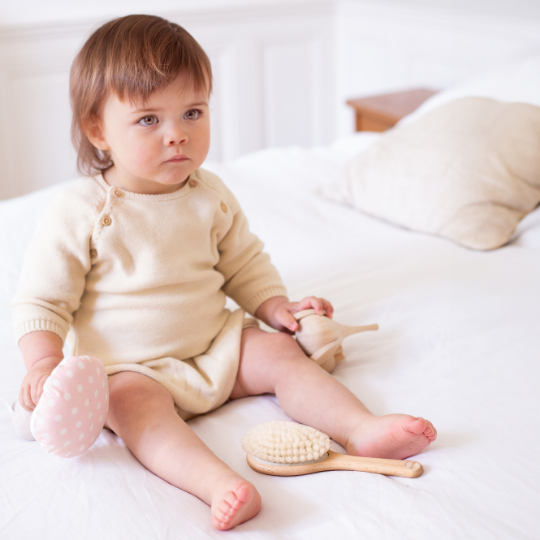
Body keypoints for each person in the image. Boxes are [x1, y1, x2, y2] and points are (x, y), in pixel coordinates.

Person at [11, 15, 437, 531]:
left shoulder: (209, 194)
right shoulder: (82, 209)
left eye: (192, 113)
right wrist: (43, 362)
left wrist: (274, 307)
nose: (177, 136)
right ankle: (219, 485)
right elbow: (43, 300)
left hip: (216, 345)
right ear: (97, 129)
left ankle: (360, 427)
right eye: (149, 120)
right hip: (131, 367)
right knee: (131, 409)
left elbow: (243, 262)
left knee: (279, 353)